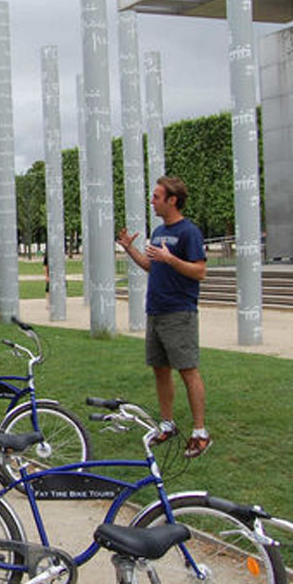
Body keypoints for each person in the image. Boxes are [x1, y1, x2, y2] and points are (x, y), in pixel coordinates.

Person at [117, 176, 210, 459]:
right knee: (160, 369)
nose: (152, 200)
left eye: (157, 196)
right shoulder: (157, 232)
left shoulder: (189, 232)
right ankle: (167, 424)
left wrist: (171, 259)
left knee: (187, 370)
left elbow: (200, 271)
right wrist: (129, 249)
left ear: (172, 200)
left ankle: (200, 433)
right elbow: (152, 267)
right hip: (155, 311)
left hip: (179, 312)